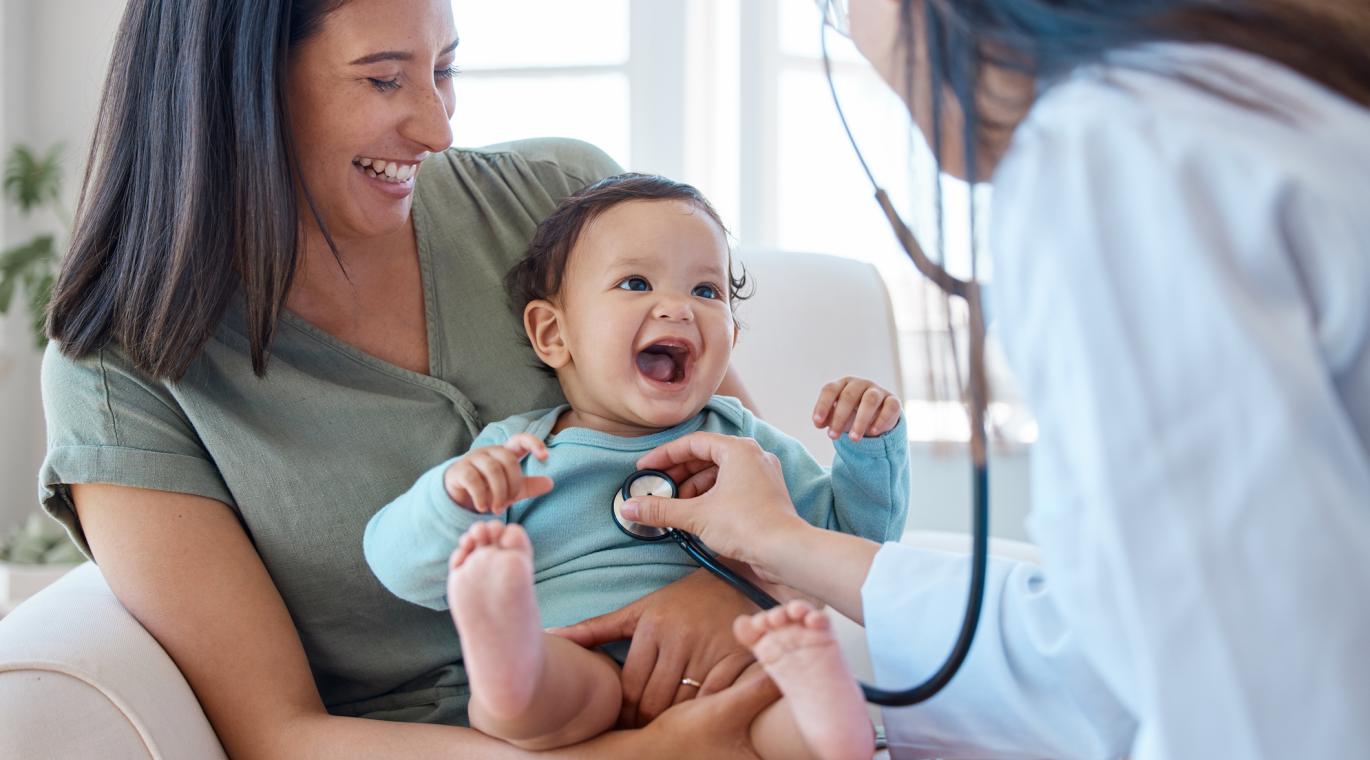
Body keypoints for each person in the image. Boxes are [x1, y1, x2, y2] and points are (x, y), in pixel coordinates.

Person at [584, 1, 1370, 758]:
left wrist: (809, 517)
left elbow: (1248, 698)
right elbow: (1118, 650)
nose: (854, 35)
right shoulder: (1244, 106)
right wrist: (780, 542)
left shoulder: (1116, 152)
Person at [36, 1, 786, 757]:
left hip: (739, 708)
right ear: (240, 90)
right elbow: (278, 733)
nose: (439, 129)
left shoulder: (566, 200)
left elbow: (762, 477)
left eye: (444, 70)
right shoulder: (117, 372)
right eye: (385, 79)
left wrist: (731, 589)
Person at [362, 173, 908, 759]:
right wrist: (451, 500)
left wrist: (867, 449)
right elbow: (398, 568)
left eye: (707, 291)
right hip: (578, 655)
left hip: (735, 667)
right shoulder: (521, 452)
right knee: (533, 700)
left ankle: (825, 707)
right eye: (635, 282)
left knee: (783, 724)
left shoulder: (743, 442)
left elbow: (843, 544)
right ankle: (505, 646)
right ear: (553, 333)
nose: (677, 307)